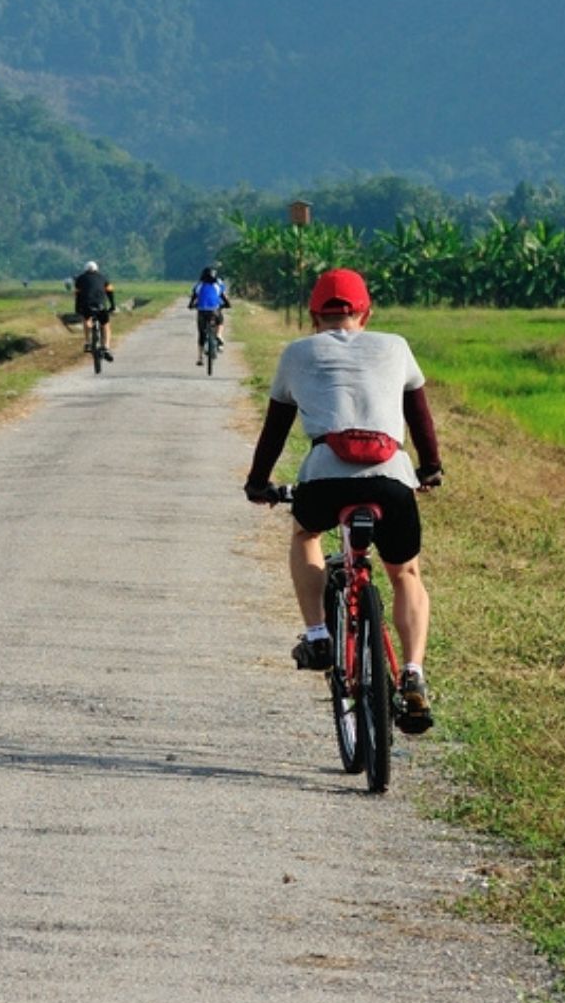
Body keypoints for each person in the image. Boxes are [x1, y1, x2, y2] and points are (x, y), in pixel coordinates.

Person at [243, 268, 444, 734]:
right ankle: (412, 672)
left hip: (325, 478)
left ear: (314, 318)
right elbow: (420, 417)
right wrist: (430, 468)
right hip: (391, 478)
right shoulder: (394, 346)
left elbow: (274, 429)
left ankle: (316, 634)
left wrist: (258, 483)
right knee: (405, 573)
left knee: (306, 532)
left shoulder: (296, 353)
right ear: (366, 313)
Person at [72, 259, 117, 361]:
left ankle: (87, 342)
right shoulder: (103, 278)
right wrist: (113, 305)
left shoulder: (80, 279)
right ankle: (106, 347)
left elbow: (78, 295)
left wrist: (77, 309)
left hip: (87, 306)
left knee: (86, 320)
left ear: (85, 270)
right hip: (101, 306)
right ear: (97, 269)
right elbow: (110, 292)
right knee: (105, 325)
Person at [188, 265, 232, 365]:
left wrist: (190, 305)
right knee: (220, 321)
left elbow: (193, 298)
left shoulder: (199, 285)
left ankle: (200, 358)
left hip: (202, 311)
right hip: (214, 310)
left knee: (201, 334)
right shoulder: (218, 285)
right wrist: (227, 305)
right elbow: (224, 298)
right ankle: (219, 335)